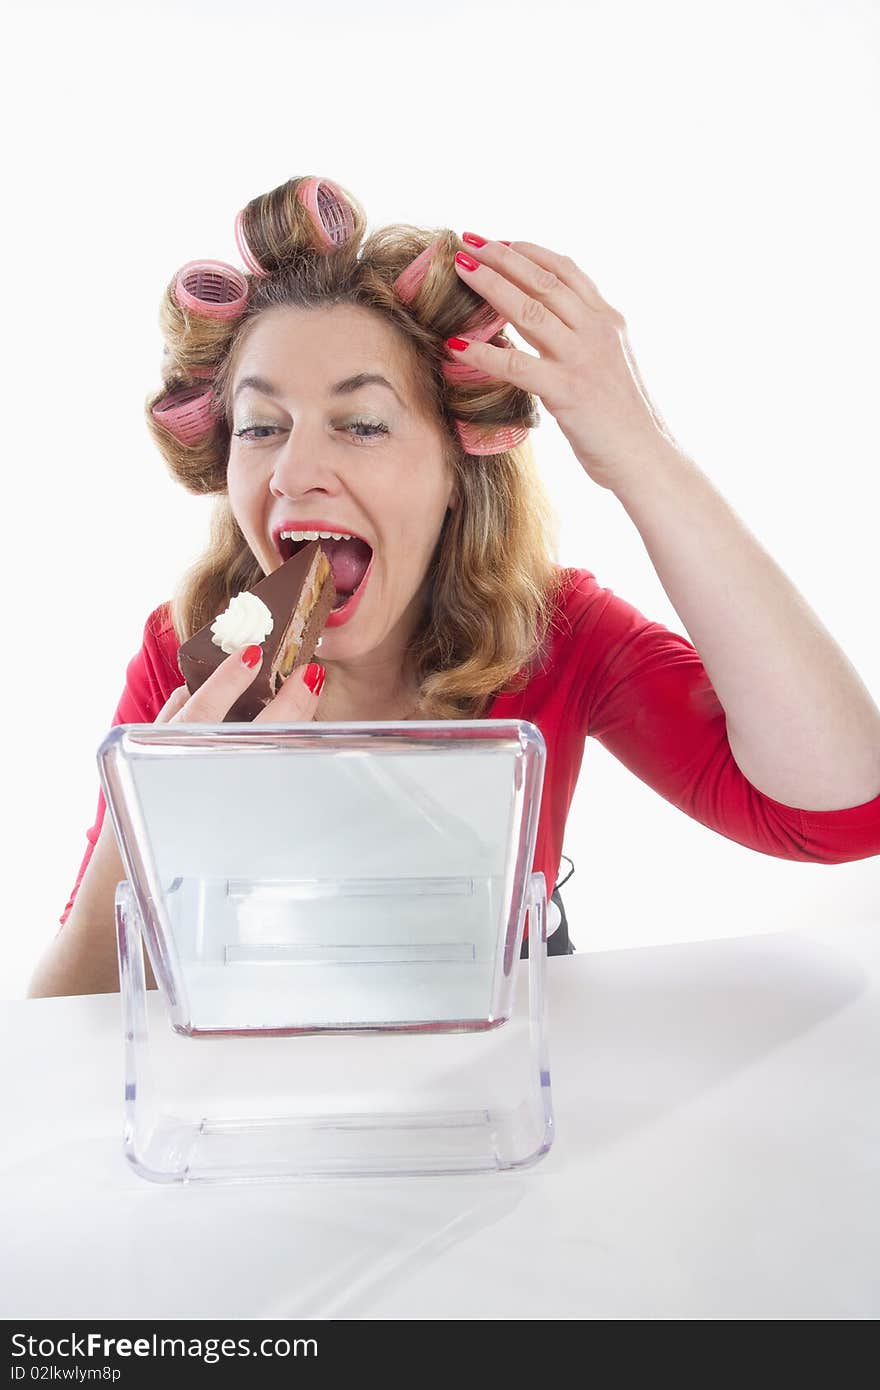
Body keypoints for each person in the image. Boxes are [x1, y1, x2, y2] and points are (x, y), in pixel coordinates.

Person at [27, 174, 880, 999]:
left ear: (453, 467)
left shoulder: (556, 633)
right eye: (261, 427)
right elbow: (67, 1026)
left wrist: (641, 455)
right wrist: (148, 830)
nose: (293, 471)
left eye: (360, 424)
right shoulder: (188, 659)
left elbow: (840, 812)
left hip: (503, 1100)